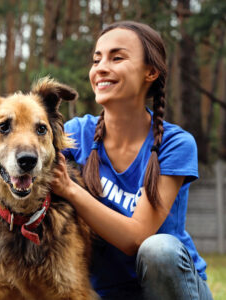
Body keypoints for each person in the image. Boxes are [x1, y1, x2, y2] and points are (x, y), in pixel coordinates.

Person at [51, 21, 213, 300]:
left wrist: (70, 190)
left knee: (158, 249)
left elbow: (136, 238)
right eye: (96, 59)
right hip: (100, 293)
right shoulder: (76, 134)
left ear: (151, 71)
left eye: (117, 57)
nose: (100, 68)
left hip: (170, 290)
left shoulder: (175, 144)